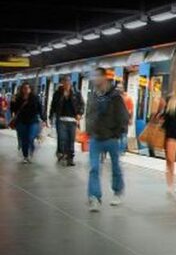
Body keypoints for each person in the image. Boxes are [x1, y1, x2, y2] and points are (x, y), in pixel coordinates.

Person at [85, 67, 129, 211]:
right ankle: (94, 197)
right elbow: (89, 113)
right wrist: (89, 130)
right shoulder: (93, 95)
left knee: (115, 167)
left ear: (104, 78)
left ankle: (117, 191)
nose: (94, 79)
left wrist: (117, 133)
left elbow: (123, 116)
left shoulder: (115, 96)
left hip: (111, 138)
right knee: (94, 168)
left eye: (97, 76)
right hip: (96, 138)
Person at [49, 76, 84, 166]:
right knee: (62, 138)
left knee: (71, 140)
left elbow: (82, 104)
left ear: (70, 82)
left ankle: (70, 158)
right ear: (62, 83)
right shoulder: (57, 93)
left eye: (68, 81)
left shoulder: (76, 93)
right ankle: (62, 152)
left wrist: (80, 114)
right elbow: (53, 106)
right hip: (61, 119)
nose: (67, 83)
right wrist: (50, 117)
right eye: (65, 81)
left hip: (72, 120)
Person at [10, 82, 45, 163]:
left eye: (27, 88)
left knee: (30, 137)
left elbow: (40, 109)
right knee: (23, 139)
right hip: (21, 121)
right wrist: (12, 102)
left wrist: (44, 119)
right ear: (22, 89)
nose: (26, 90)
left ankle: (31, 150)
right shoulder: (18, 99)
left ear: (30, 89)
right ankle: (25, 156)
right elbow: (14, 110)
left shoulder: (35, 98)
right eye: (24, 88)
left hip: (33, 121)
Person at [120, 89, 134, 154]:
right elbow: (131, 111)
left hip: (118, 119)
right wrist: (130, 119)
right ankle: (122, 150)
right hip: (125, 119)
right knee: (124, 135)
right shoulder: (129, 98)